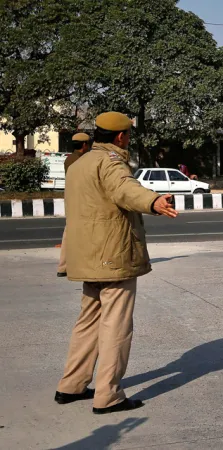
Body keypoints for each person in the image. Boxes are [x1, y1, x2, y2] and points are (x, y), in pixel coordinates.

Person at [54, 111, 178, 415]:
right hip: (112, 256)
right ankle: (108, 395)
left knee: (88, 321)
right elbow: (124, 188)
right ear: (122, 136)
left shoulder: (78, 164)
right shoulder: (110, 162)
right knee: (116, 326)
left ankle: (71, 385)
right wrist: (153, 201)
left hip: (86, 255)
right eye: (129, 135)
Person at [57, 132, 92, 277]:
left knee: (69, 232)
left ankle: (63, 267)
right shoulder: (84, 160)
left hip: (71, 199)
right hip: (84, 200)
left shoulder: (69, 159)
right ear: (84, 145)